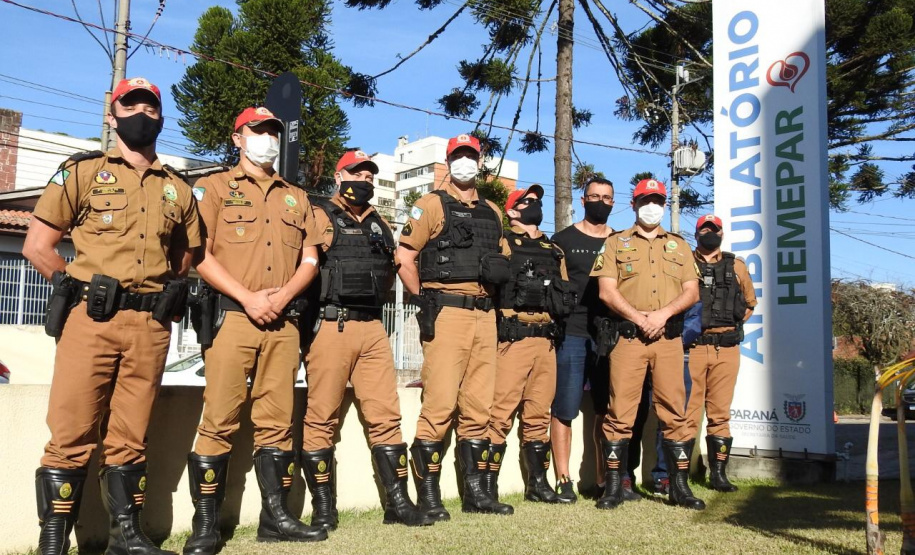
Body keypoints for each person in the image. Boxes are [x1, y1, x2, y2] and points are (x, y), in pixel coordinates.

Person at [24, 77, 201, 555]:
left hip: (150, 327)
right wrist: (76, 286)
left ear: (161, 117)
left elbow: (184, 258)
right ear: (113, 114)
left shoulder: (178, 190)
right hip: (92, 322)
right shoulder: (81, 173)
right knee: (72, 430)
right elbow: (38, 247)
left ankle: (127, 537)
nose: (141, 113)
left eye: (149, 106)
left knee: (131, 435)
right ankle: (54, 541)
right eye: (131, 105)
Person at [183, 106, 327, 550]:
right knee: (219, 420)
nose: (266, 138)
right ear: (237, 138)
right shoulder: (213, 188)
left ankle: (275, 518)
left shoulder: (296, 196)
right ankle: (205, 526)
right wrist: (248, 298)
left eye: (272, 132)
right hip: (232, 317)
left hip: (283, 321)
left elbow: (310, 258)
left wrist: (281, 298)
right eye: (256, 130)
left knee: (277, 423)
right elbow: (199, 254)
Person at [300, 150, 431, 530]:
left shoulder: (379, 223)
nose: (366, 180)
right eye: (357, 173)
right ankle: (325, 509)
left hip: (374, 328)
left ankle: (398, 503)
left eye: (371, 175)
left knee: (386, 418)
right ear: (340, 177)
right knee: (322, 419)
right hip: (332, 325)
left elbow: (392, 268)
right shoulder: (319, 214)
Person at [396, 133, 513, 518]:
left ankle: (475, 494)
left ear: (479, 163)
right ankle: (429, 495)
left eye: (471, 156)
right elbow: (405, 256)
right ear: (449, 163)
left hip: (485, 314)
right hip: (446, 313)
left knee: (479, 407)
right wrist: (421, 298)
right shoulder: (430, 204)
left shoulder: (493, 211)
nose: (465, 162)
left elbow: (504, 261)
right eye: (458, 156)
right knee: (440, 404)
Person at [590, 178, 704, 511]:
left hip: (668, 339)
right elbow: (606, 291)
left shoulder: (680, 246)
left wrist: (662, 315)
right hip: (629, 338)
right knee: (619, 414)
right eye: (645, 200)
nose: (651, 206)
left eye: (657, 200)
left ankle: (678, 487)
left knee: (675, 413)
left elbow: (692, 291)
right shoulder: (615, 243)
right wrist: (642, 320)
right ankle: (614, 487)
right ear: (634, 204)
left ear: (664, 205)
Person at [487, 184, 573, 506]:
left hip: (546, 342)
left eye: (537, 200)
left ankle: (538, 485)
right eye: (526, 201)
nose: (534, 204)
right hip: (513, 339)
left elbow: (563, 293)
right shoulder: (504, 243)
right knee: (500, 414)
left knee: (538, 415)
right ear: (511, 211)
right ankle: (487, 487)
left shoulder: (554, 250)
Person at [548, 177, 615, 503]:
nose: (600, 202)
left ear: (614, 203)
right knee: (565, 409)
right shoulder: (563, 239)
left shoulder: (621, 240)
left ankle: (604, 481)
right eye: (594, 196)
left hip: (609, 336)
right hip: (572, 334)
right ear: (583, 199)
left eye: (606, 197)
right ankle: (564, 479)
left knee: (605, 410)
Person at [686, 214, 757, 491]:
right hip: (693, 348)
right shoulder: (684, 262)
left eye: (714, 230)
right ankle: (683, 476)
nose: (709, 234)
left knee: (720, 414)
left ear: (722, 234)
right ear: (696, 234)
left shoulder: (736, 265)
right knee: (688, 414)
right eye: (704, 229)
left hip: (726, 349)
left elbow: (750, 304)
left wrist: (730, 327)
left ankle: (718, 475)